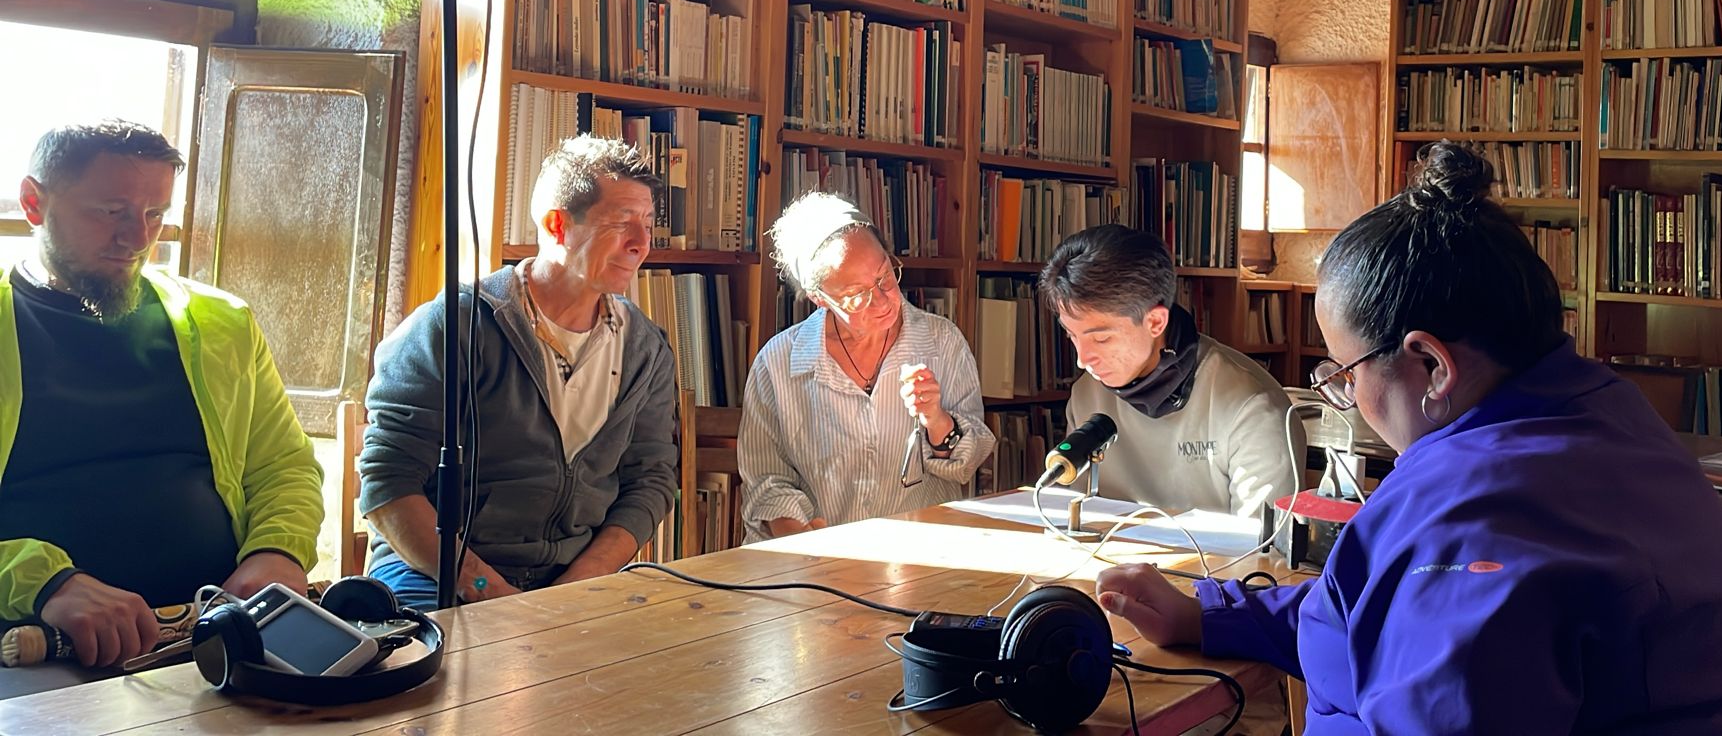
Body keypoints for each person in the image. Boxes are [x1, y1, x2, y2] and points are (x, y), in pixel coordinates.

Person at [1094, 144, 1722, 733]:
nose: (1346, 396)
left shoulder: (1479, 514)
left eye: (1345, 372)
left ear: (1430, 365)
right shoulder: (1600, 414)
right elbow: (1381, 606)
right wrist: (1210, 615)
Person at [0, 121, 322, 669]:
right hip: (39, 646)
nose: (138, 238)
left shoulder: (222, 324)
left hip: (217, 634)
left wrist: (277, 552)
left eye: (155, 214)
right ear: (33, 202)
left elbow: (283, 468)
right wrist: (47, 583)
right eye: (112, 212)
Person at [359, 135, 679, 610]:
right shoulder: (457, 325)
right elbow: (388, 482)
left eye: (648, 224)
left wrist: (576, 586)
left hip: (568, 581)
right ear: (556, 225)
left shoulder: (644, 349)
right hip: (435, 573)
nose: (641, 243)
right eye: (621, 223)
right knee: (451, 656)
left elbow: (649, 481)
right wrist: (490, 593)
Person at [738, 192, 994, 542]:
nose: (883, 301)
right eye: (857, 296)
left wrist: (937, 420)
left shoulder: (942, 343)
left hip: (921, 554)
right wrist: (801, 541)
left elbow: (969, 465)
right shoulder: (778, 364)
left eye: (884, 277)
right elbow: (766, 480)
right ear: (819, 298)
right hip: (816, 559)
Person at [1040, 225, 1302, 518]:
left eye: (1101, 339)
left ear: (1155, 322)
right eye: (1072, 336)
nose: (1082, 359)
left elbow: (1263, 543)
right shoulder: (1087, 393)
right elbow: (1073, 515)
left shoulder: (1252, 407)